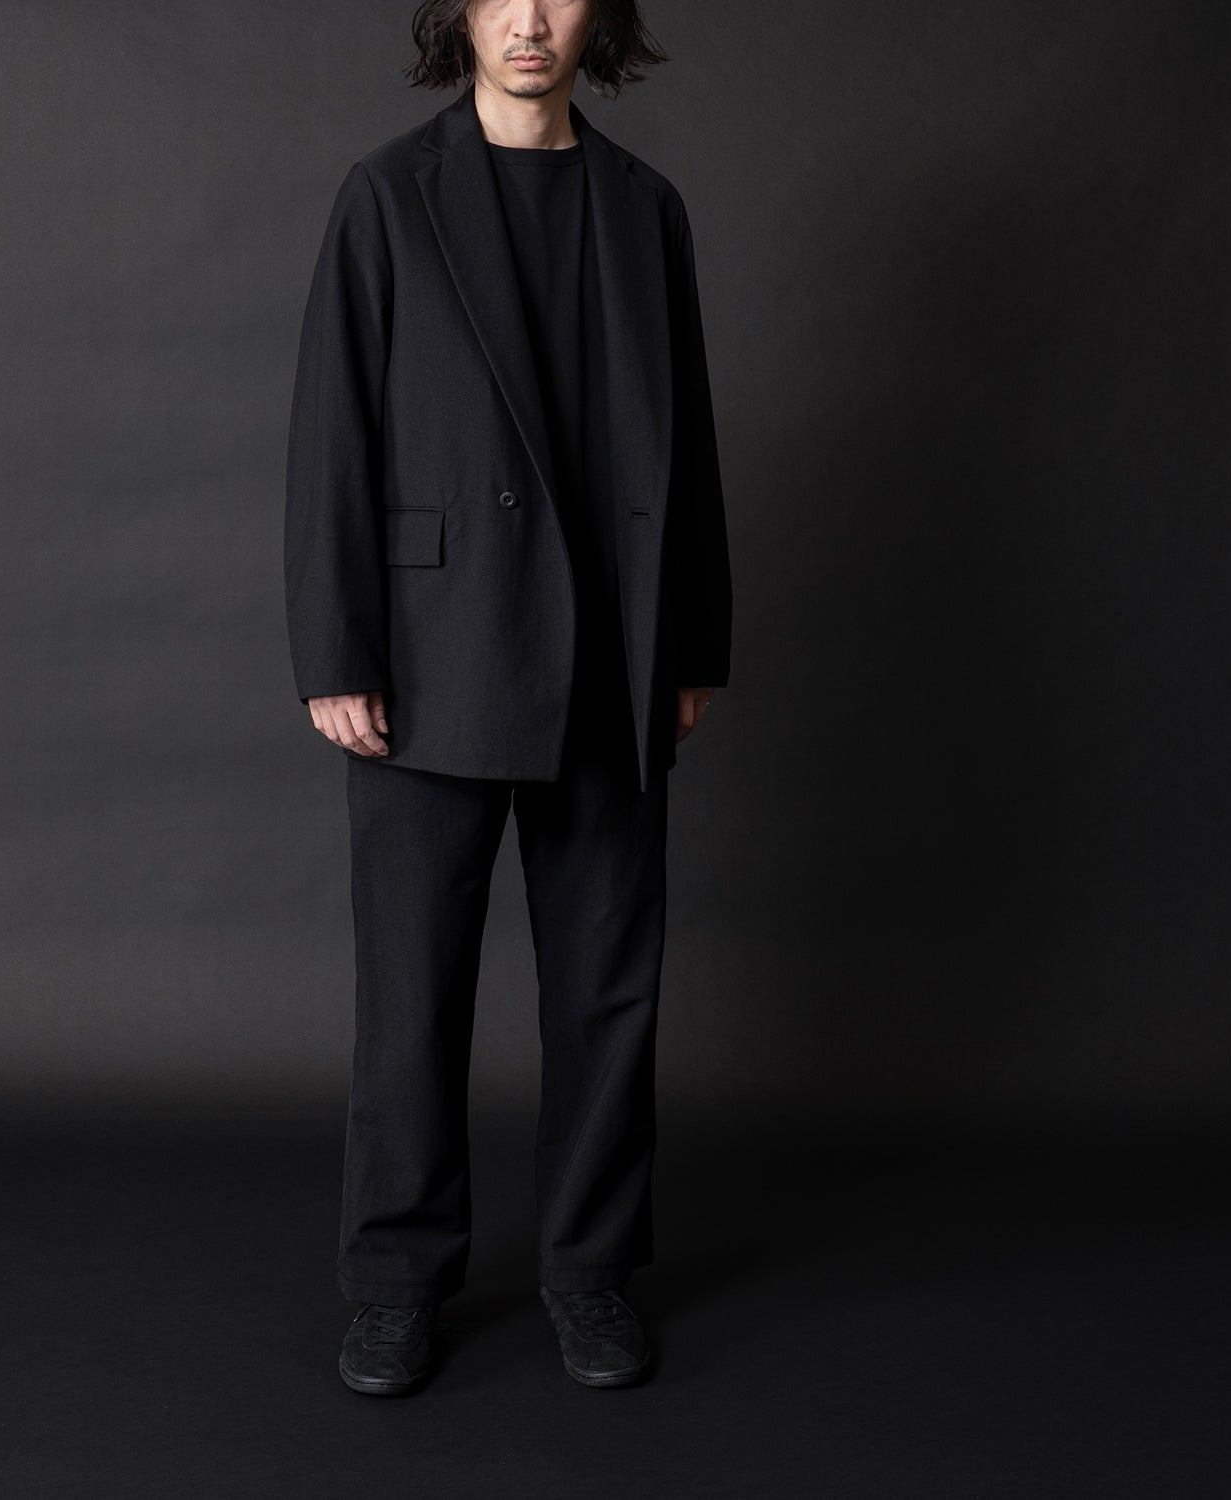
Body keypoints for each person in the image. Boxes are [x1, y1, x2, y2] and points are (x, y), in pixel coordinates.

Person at [284, 0, 732, 1396]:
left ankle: (590, 1272)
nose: (529, 20)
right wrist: (337, 650)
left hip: (613, 652)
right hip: (435, 654)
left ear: (603, 16)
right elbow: (333, 428)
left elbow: (689, 437)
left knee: (607, 990)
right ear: (457, 15)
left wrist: (693, 645)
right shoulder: (387, 195)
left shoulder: (645, 208)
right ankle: (395, 1283)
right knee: (412, 993)